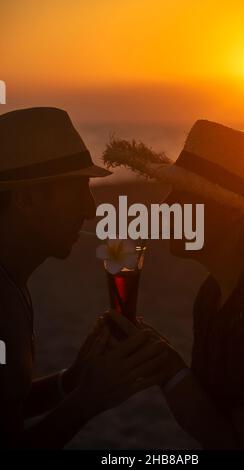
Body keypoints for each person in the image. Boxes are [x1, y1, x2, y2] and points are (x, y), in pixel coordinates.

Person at [105, 120, 244, 449]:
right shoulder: (214, 292)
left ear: (235, 213)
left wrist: (171, 373)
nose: (166, 207)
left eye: (184, 194)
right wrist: (168, 367)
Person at [0, 107, 167, 449]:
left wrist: (73, 380)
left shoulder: (11, 280)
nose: (91, 209)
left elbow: (8, 406)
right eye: (78, 188)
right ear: (27, 198)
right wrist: (88, 401)